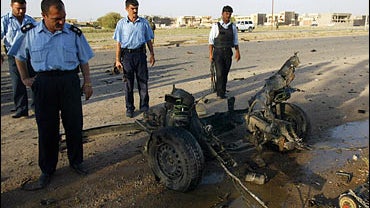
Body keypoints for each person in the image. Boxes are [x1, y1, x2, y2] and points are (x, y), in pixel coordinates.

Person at [8, 0, 94, 189]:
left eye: (63, 17)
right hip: (44, 84)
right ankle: (47, 169)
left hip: (69, 81)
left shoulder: (73, 33)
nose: (62, 22)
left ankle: (76, 162)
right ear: (44, 16)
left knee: (74, 123)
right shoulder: (30, 33)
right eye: (57, 19)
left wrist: (87, 82)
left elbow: (84, 59)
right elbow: (18, 56)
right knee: (47, 128)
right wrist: (25, 79)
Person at [113, 0, 155, 118]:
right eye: (132, 8)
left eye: (137, 8)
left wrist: (152, 54)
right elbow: (118, 44)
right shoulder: (121, 24)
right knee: (128, 84)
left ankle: (144, 106)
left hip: (140, 55)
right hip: (127, 56)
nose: (135, 11)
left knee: (143, 82)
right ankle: (130, 108)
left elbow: (148, 40)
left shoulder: (144, 23)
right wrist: (117, 60)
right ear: (126, 9)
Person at [1, 0, 36, 118]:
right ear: (11, 6)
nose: (21, 11)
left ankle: (37, 106)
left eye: (23, 8)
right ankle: (21, 109)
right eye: (18, 8)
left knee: (35, 81)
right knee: (17, 82)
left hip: (30, 54)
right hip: (13, 55)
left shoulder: (30, 20)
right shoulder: (5, 20)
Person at [208, 5, 240, 99]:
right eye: (226, 13)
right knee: (219, 73)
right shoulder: (215, 26)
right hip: (218, 53)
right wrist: (210, 54)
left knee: (225, 73)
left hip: (228, 53)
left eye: (230, 14)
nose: (228, 15)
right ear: (222, 14)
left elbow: (235, 41)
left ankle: (222, 90)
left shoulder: (233, 27)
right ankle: (219, 93)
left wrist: (238, 52)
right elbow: (211, 42)